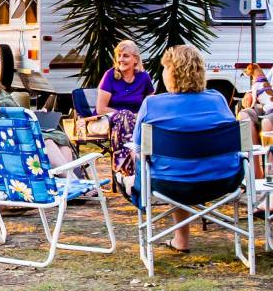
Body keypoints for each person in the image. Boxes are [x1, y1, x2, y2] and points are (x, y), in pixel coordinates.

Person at [139, 44, 240, 251]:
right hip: (221, 181)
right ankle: (181, 239)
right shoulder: (218, 100)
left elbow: (139, 146)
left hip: (170, 184)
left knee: (173, 166)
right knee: (185, 163)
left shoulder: (152, 104)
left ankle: (181, 239)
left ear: (172, 73)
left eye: (165, 69)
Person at [0, 57, 71, 168]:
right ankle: (70, 180)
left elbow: (18, 112)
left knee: (60, 137)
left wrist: (35, 114)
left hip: (19, 130)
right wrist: (5, 121)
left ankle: (68, 178)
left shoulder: (1, 92)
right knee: (45, 140)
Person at [95, 40, 153, 177]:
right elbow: (101, 108)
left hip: (134, 122)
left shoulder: (144, 77)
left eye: (125, 56)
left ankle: (129, 169)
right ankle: (134, 168)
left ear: (135, 59)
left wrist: (135, 116)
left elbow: (150, 104)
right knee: (125, 116)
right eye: (119, 55)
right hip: (105, 119)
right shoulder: (109, 75)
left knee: (133, 120)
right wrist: (126, 114)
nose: (121, 59)